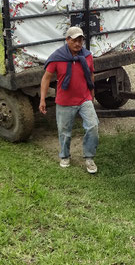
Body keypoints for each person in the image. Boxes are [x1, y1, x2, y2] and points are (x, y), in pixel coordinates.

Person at [39, 26, 99, 174]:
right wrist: (42, 99)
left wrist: (92, 95)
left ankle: (89, 158)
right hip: (65, 101)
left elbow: (91, 75)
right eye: (74, 41)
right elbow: (46, 78)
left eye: (80, 41)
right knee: (64, 132)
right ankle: (65, 156)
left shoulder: (87, 56)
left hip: (84, 98)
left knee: (93, 126)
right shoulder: (57, 57)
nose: (78, 44)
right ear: (67, 40)